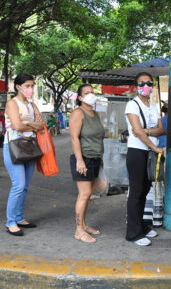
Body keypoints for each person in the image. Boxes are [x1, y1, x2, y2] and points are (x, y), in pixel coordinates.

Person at [124, 72, 165, 246]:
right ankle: (133, 233)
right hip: (137, 151)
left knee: (146, 189)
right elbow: (136, 131)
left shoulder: (155, 106)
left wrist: (147, 131)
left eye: (148, 83)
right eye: (141, 84)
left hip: (149, 153)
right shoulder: (132, 105)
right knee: (136, 192)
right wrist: (154, 146)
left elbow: (161, 129)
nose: (145, 86)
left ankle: (141, 225)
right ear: (136, 86)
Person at [3, 74, 44, 236]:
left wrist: (26, 123)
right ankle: (10, 222)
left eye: (32, 85)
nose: (31, 89)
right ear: (18, 86)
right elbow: (17, 125)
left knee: (25, 186)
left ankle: (19, 217)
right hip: (13, 147)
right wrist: (28, 125)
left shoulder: (32, 105)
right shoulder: (12, 103)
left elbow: (42, 125)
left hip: (30, 147)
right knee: (18, 185)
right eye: (27, 85)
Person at [69, 84, 107, 243]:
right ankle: (78, 230)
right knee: (84, 195)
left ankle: (84, 225)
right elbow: (74, 138)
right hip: (83, 158)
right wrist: (79, 160)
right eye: (87, 93)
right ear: (80, 97)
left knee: (91, 192)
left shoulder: (95, 113)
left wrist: (101, 159)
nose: (91, 95)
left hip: (95, 158)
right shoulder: (78, 113)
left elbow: (97, 138)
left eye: (92, 92)